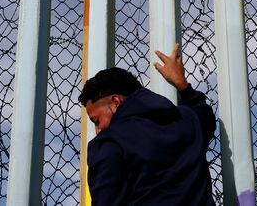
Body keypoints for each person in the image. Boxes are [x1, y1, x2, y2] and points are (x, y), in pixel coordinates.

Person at [79, 44, 216, 205]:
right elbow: (205, 116)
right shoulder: (186, 121)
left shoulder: (109, 143)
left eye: (96, 120)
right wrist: (182, 85)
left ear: (116, 102)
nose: (97, 130)